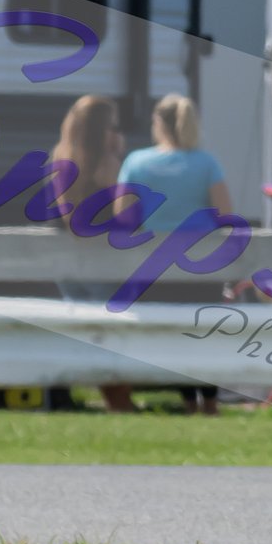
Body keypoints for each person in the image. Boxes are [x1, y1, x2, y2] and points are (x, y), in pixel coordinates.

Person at [118, 94, 234, 415]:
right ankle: (210, 404)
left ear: (158, 123)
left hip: (154, 267)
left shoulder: (136, 162)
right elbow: (226, 213)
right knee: (204, 334)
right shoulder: (206, 163)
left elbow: (123, 216)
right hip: (200, 264)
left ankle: (188, 402)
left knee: (174, 333)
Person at [52, 95, 138, 414]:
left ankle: (102, 398)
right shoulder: (109, 165)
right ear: (102, 130)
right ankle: (118, 401)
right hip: (104, 266)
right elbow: (126, 219)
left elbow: (67, 222)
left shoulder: (61, 160)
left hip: (67, 267)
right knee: (112, 334)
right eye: (113, 126)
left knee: (83, 331)